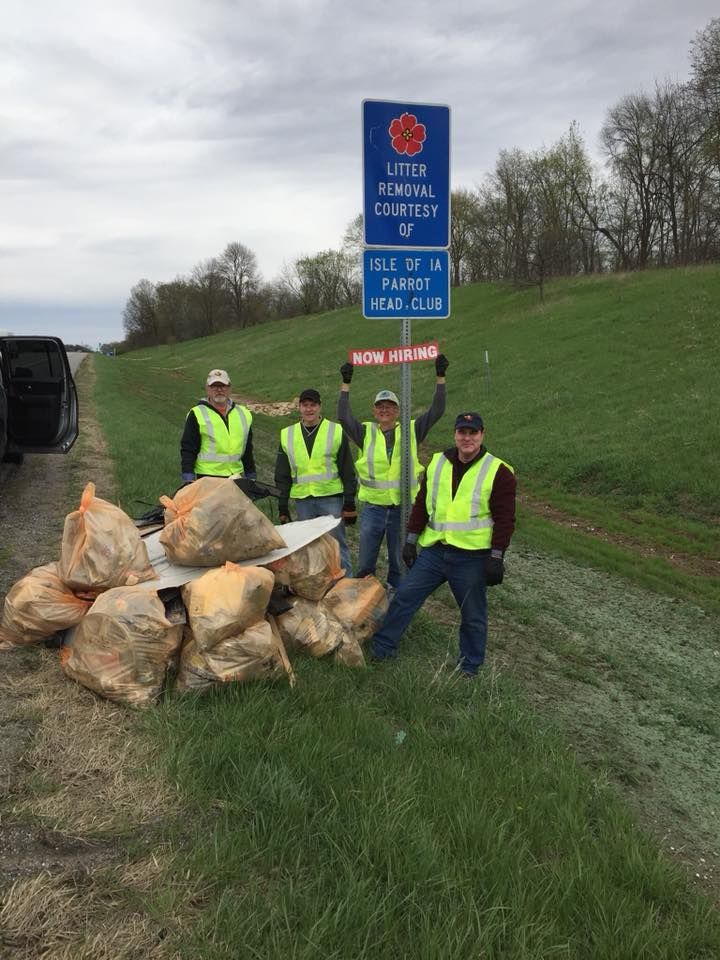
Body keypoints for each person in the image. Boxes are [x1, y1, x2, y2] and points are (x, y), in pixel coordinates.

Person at [369, 411, 516, 676]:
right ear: (455, 434)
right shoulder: (438, 463)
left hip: (472, 557)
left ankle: (469, 668)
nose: (467, 438)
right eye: (462, 432)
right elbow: (422, 506)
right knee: (404, 597)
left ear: (482, 435)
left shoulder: (499, 472)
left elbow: (505, 519)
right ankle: (382, 649)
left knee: (472, 615)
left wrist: (496, 557)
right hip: (435, 552)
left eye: (473, 433)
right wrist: (411, 541)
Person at [337, 353, 448, 589]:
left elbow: (437, 410)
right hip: (373, 509)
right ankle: (363, 606)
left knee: (399, 564)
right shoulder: (365, 432)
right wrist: (346, 384)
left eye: (390, 406)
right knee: (366, 563)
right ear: (374, 411)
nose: (384, 410)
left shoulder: (411, 430)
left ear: (398, 411)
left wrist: (440, 378)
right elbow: (343, 416)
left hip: (403, 509)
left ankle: (396, 605)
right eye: (380, 406)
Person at [275, 388, 357, 575]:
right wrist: (282, 505)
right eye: (305, 405)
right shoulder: (287, 434)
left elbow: (347, 469)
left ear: (320, 407)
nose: (309, 409)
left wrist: (350, 501)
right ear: (299, 408)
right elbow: (282, 474)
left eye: (313, 405)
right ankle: (315, 587)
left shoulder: (335, 431)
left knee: (335, 546)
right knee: (308, 547)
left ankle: (345, 586)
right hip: (304, 501)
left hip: (331, 499)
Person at [180, 368, 256, 482]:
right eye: (214, 386)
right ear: (207, 389)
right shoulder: (197, 414)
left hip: (235, 477)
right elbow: (188, 448)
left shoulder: (244, 414)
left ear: (229, 388)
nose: (219, 390)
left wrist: (251, 474)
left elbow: (247, 448)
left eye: (223, 386)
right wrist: (188, 477)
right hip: (207, 477)